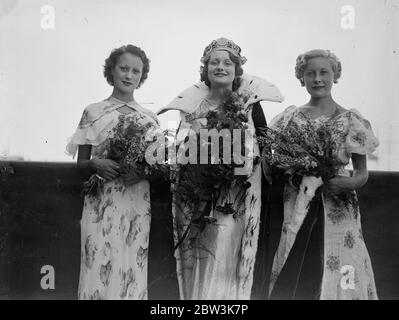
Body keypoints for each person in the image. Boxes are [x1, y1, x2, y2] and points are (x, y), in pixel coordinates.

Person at [157, 37, 284, 299]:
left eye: (228, 63)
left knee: (228, 251)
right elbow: (181, 150)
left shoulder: (249, 105)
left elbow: (264, 147)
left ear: (237, 70)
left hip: (238, 194)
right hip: (200, 192)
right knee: (203, 251)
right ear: (205, 69)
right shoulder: (192, 108)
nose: (221, 67)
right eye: (214, 62)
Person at [268, 49, 379, 300]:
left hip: (338, 204)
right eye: (310, 74)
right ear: (302, 78)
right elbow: (274, 161)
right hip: (299, 200)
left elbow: (362, 174)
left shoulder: (350, 119)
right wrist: (295, 170)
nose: (317, 79)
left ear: (335, 75)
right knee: (297, 256)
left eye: (323, 73)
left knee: (341, 261)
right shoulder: (291, 118)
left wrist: (346, 182)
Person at [66, 44, 159, 300]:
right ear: (112, 71)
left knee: (131, 270)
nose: (129, 76)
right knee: (98, 267)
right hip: (102, 200)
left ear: (142, 77)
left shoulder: (150, 119)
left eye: (135, 71)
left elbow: (158, 167)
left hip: (136, 201)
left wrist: (140, 172)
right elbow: (81, 164)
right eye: (123, 69)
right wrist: (96, 164)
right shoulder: (93, 112)